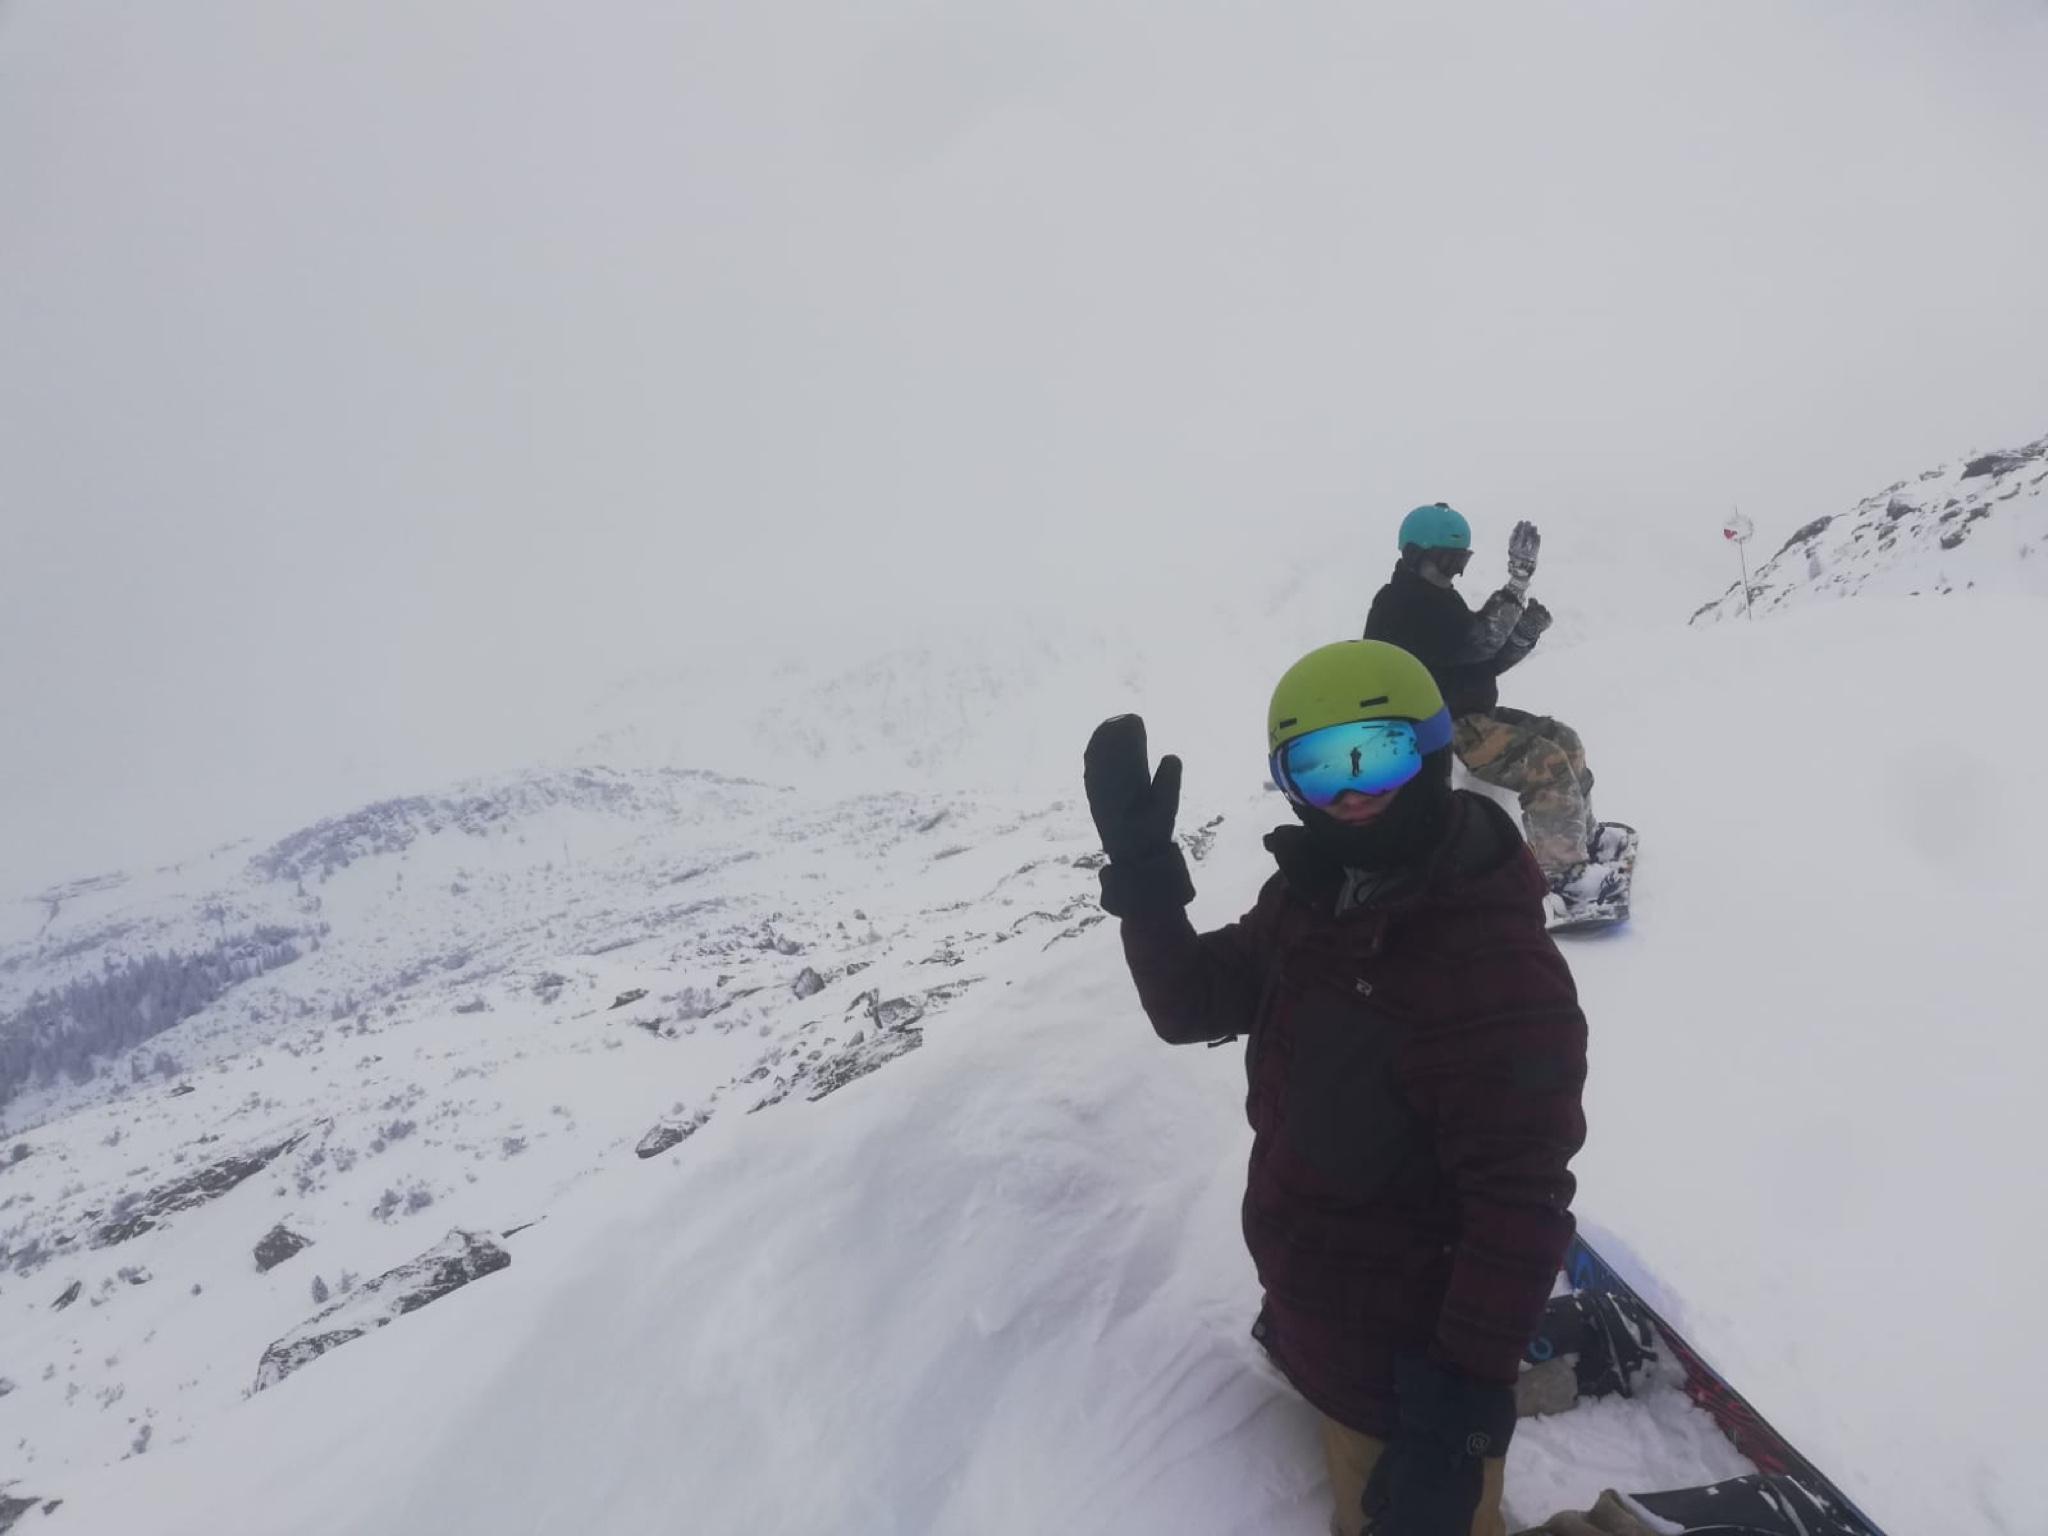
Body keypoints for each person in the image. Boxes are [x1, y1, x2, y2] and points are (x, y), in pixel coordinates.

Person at [1083, 640, 1588, 1536]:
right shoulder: (1318, 895)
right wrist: (1145, 873)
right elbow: (1192, 1003)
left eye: (1377, 756)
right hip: (1325, 1317)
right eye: (1316, 768)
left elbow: (1520, 1204)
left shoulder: (1492, 963)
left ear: (1432, 751)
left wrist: (1455, 1425)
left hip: (1409, 1364)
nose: (1350, 793)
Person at [1362, 503, 1623, 917]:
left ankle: (1584, 841)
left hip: (1473, 716)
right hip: (1437, 727)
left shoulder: (1439, 599)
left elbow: (1483, 660)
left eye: (1459, 562)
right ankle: (1563, 880)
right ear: (1414, 555)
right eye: (1446, 561)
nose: (1452, 572)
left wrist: (1522, 635)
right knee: (1545, 763)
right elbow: (1477, 643)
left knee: (1564, 738)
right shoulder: (1401, 603)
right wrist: (1517, 585)